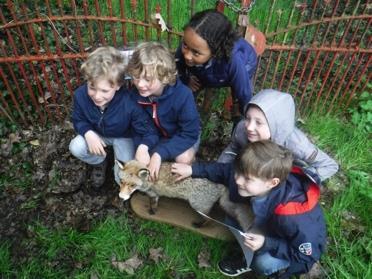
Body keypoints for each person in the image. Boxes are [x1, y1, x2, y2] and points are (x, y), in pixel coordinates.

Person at [171, 140, 327, 278]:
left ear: (272, 183)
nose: (237, 179)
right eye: (239, 172)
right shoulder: (256, 176)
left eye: (247, 178)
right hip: (271, 224)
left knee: (263, 263)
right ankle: (252, 246)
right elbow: (224, 171)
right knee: (230, 218)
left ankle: (254, 264)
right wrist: (193, 170)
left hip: (294, 246)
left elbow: (306, 255)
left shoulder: (292, 217)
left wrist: (266, 243)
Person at [69, 46, 159, 188]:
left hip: (123, 136)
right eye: (92, 87)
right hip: (97, 134)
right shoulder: (80, 95)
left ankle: (115, 163)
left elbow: (150, 131)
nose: (97, 96)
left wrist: (143, 147)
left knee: (120, 179)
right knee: (76, 147)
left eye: (105, 90)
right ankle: (99, 162)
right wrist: (87, 132)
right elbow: (77, 118)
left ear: (118, 85)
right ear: (87, 80)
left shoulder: (130, 103)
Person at [218, 89, 339, 181]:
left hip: (283, 174)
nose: (249, 127)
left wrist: (296, 181)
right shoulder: (241, 129)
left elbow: (329, 165)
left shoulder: (297, 145)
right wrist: (220, 171)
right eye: (248, 118)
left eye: (258, 122)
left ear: (276, 125)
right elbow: (233, 149)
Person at [126, 42, 201, 180]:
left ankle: (189, 169)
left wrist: (159, 153)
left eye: (148, 79)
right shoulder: (134, 95)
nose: (140, 84)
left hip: (182, 136)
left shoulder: (183, 96)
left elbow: (189, 133)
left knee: (183, 158)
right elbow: (139, 126)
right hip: (155, 136)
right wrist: (142, 147)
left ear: (164, 77)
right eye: (136, 77)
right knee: (141, 160)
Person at [175, 9, 257, 115]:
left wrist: (244, 110)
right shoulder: (192, 43)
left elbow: (244, 92)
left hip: (242, 66)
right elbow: (179, 64)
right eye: (185, 45)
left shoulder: (234, 61)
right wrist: (186, 79)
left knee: (240, 102)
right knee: (185, 92)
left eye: (195, 52)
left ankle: (238, 123)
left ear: (215, 52)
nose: (186, 55)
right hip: (206, 69)